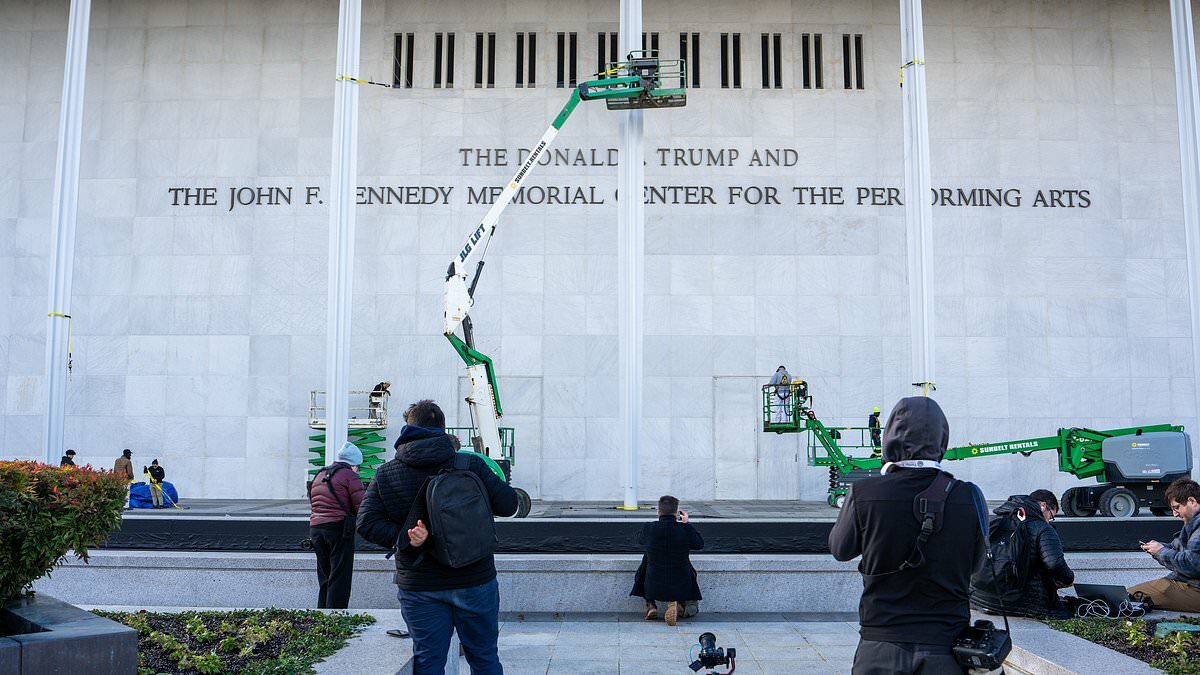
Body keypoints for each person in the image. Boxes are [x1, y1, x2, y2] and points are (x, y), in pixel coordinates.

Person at [357, 399, 518, 674]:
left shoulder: (386, 473)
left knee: (429, 661)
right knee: (484, 659)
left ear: (408, 429)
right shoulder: (471, 464)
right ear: (443, 429)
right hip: (474, 579)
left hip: (420, 585)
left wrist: (408, 537)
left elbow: (365, 523)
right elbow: (509, 505)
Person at [829, 397, 987, 675]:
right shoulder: (970, 496)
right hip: (946, 647)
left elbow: (840, 549)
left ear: (889, 437)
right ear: (943, 439)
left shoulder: (864, 492)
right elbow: (975, 566)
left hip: (881, 643)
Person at [971, 490, 1074, 619]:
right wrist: (1068, 579)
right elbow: (1055, 564)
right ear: (1043, 506)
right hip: (1018, 603)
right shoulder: (1041, 527)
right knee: (1067, 612)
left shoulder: (995, 520)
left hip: (978, 598)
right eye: (1051, 516)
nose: (1048, 521)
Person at [630, 495, 704, 626]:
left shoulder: (649, 528)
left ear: (658, 512)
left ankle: (650, 604)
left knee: (648, 558)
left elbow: (639, 541)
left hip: (652, 587)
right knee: (682, 562)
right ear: (676, 513)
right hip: (681, 587)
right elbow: (699, 544)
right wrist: (687, 523)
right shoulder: (685, 529)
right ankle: (680, 606)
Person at [308, 442, 366, 609]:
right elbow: (361, 505)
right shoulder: (349, 476)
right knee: (340, 576)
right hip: (338, 529)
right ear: (354, 464)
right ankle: (337, 615)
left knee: (325, 575)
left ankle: (322, 614)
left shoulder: (320, 474)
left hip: (316, 529)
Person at [1128, 478, 1200, 612]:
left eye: (1176, 507)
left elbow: (1192, 564)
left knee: (1126, 598)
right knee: (1128, 596)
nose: (1174, 514)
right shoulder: (1192, 523)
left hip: (1194, 588)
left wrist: (1160, 551)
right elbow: (1178, 549)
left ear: (1192, 501)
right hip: (1186, 583)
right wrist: (1159, 548)